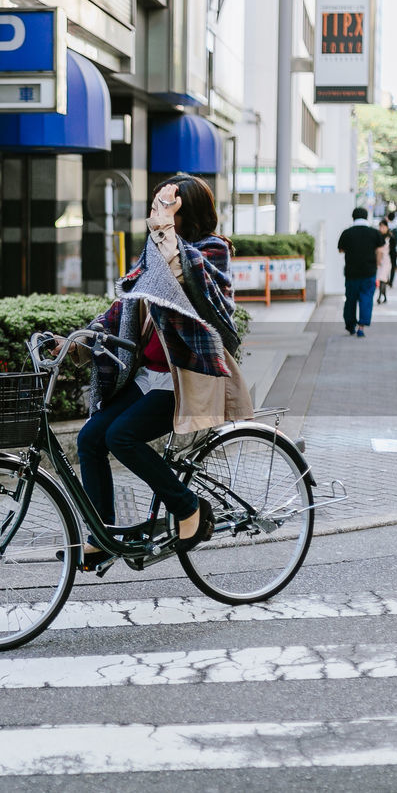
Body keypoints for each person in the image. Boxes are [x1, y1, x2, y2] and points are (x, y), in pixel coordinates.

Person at [73, 174, 249, 571]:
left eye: (164, 207)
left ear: (185, 212)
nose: (155, 216)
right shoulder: (158, 249)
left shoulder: (212, 250)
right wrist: (77, 341)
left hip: (186, 376)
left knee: (123, 436)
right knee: (91, 438)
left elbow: (183, 278)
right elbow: (126, 306)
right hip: (150, 374)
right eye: (154, 208)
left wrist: (163, 226)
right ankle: (104, 533)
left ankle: (189, 509)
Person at [338, 206, 385, 337]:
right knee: (366, 299)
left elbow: (341, 250)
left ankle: (350, 325)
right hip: (369, 272)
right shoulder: (374, 233)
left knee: (350, 299)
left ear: (353, 217)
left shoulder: (347, 233)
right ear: (366, 217)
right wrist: (377, 263)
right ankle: (361, 327)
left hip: (351, 272)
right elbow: (380, 251)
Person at [376, 219, 394, 304]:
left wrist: (395, 264)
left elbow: (393, 252)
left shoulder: (391, 237)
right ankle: (384, 297)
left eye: (383, 227)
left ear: (387, 227)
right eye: (380, 227)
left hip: (387, 260)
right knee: (381, 278)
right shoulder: (377, 236)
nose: (382, 228)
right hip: (379, 260)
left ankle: (380, 297)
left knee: (382, 278)